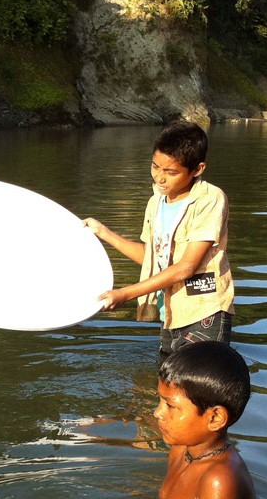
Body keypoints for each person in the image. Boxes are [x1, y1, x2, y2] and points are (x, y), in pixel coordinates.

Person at [84, 120, 235, 360]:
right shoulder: (156, 202)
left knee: (194, 389)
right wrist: (104, 233)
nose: (160, 178)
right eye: (155, 167)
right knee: (168, 386)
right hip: (171, 312)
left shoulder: (210, 200)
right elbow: (151, 258)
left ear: (198, 169)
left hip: (204, 312)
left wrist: (126, 293)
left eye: (171, 172)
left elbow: (186, 267)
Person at [154, 341, 255, 499]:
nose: (157, 413)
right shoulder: (180, 449)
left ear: (215, 418)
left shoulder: (218, 480)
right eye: (160, 402)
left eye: (170, 405)